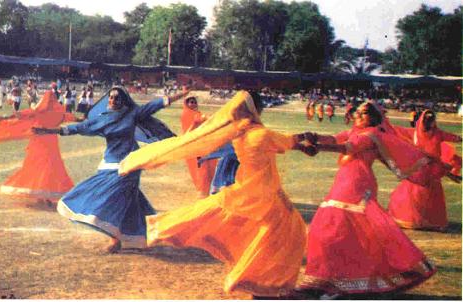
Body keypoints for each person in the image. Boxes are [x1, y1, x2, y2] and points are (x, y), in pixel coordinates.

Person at [118, 90, 313, 298]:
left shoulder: (238, 133)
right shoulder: (261, 134)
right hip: (263, 192)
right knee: (290, 231)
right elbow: (287, 142)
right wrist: (305, 140)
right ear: (258, 110)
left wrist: (301, 141)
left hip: (248, 188)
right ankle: (254, 280)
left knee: (252, 227)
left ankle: (257, 281)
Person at [295, 102, 436, 299]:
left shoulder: (372, 135)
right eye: (357, 112)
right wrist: (313, 136)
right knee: (330, 229)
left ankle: (338, 280)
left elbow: (347, 147)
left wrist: (319, 147)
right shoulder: (354, 130)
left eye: (365, 113)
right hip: (343, 183)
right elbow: (335, 138)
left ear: (375, 118)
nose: (359, 116)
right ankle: (326, 278)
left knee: (337, 229)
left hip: (358, 184)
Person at [33, 86, 190, 253]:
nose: (113, 100)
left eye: (117, 98)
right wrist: (48, 131)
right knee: (129, 201)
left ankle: (115, 239)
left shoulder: (132, 115)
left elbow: (156, 104)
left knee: (117, 198)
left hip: (129, 164)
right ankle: (139, 235)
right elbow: (78, 128)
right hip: (109, 163)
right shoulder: (102, 119)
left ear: (123, 101)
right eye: (111, 97)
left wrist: (182, 94)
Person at [0, 90, 76, 204]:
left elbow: (20, 115)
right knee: (51, 165)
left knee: (39, 165)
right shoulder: (59, 114)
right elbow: (73, 118)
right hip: (50, 143)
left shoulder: (38, 112)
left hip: (39, 142)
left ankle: (41, 193)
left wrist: (4, 118)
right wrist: (84, 119)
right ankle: (45, 194)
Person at [388, 110, 462, 231]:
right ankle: (413, 219)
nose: (430, 122)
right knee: (416, 193)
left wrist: (459, 138)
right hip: (420, 167)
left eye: (432, 120)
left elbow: (452, 137)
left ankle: (429, 221)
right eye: (428, 120)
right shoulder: (415, 133)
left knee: (430, 194)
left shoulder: (438, 133)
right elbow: (398, 131)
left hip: (433, 168)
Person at [180, 96, 216, 198]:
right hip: (194, 147)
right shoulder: (186, 115)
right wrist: (195, 123)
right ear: (186, 104)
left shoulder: (198, 114)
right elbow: (187, 133)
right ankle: (202, 191)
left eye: (194, 102)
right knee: (200, 170)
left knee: (208, 168)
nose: (193, 104)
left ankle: (205, 190)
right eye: (191, 102)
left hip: (203, 146)